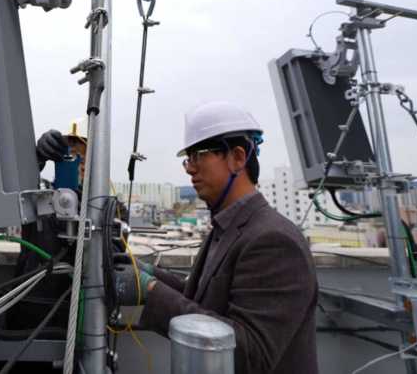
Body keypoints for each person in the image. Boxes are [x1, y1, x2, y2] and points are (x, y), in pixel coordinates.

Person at [114, 101, 319, 374]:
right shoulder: (228, 228)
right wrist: (143, 272)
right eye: (189, 158)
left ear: (237, 157)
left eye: (199, 155)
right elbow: (198, 296)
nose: (189, 168)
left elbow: (250, 355)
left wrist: (150, 290)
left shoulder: (274, 241)